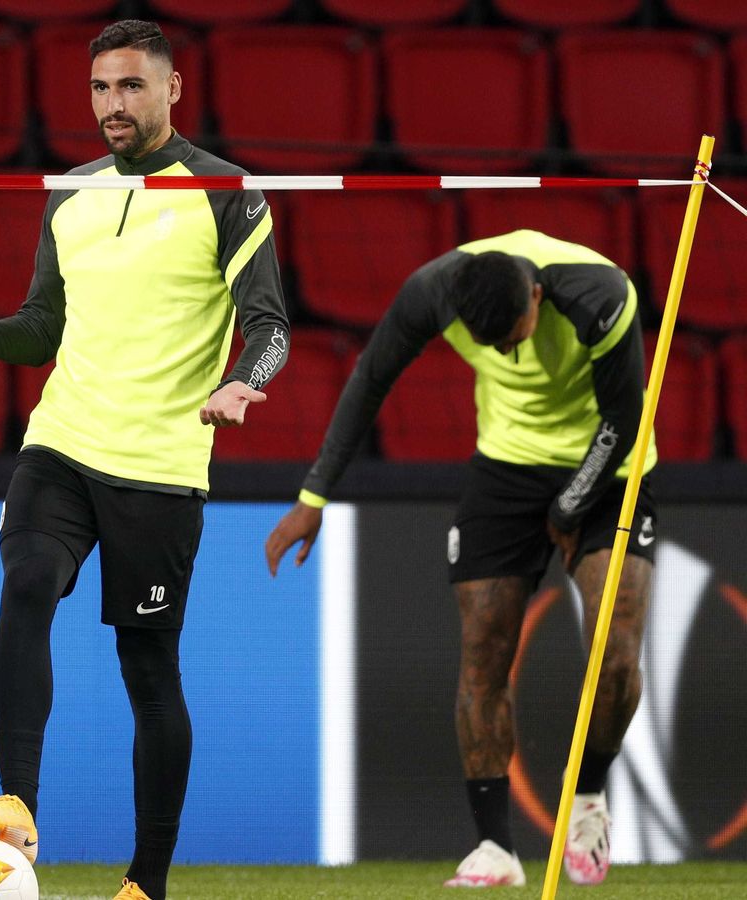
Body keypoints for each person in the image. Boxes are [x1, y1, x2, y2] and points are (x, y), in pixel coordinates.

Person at [0, 20, 288, 900]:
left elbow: (272, 328)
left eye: (133, 87)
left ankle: (146, 881)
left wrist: (245, 384)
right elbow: (40, 333)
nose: (114, 104)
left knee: (149, 672)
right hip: (62, 443)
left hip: (161, 467)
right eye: (102, 88)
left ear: (173, 90)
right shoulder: (70, 192)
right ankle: (17, 808)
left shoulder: (230, 194)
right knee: (26, 580)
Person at [264, 231, 653, 888]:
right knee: (482, 650)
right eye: (492, 342)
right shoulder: (433, 291)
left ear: (537, 296)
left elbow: (623, 417)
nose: (505, 351)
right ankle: (495, 848)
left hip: (607, 465)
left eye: (515, 335)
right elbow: (371, 378)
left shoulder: (602, 296)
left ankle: (587, 794)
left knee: (616, 650)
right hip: (505, 469)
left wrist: (567, 510)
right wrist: (313, 496)